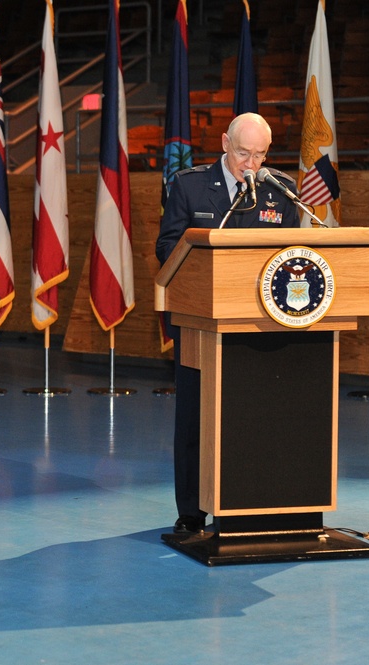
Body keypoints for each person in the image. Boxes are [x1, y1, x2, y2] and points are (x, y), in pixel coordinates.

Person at [155, 112, 300, 534]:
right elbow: (168, 246)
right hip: (201, 322)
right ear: (224, 143)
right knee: (195, 422)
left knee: (254, 417)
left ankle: (250, 506)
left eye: (259, 154)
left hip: (261, 325)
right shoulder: (189, 185)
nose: (250, 163)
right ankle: (191, 513)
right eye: (242, 152)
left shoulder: (281, 191)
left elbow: (290, 254)